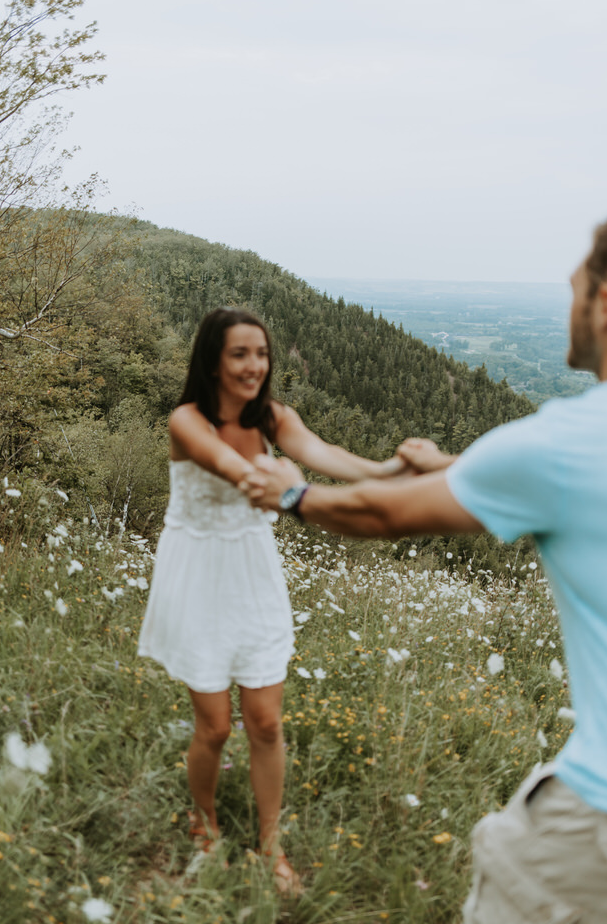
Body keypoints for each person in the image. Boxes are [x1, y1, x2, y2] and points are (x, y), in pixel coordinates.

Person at [244, 220, 607, 922]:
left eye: (573, 290)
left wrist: (292, 494)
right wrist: (452, 469)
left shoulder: (567, 442)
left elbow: (382, 516)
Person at [137, 306, 406, 894]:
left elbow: (329, 455)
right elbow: (234, 469)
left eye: (261, 354)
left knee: (264, 722)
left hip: (252, 573)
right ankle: (201, 821)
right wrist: (286, 486)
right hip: (197, 574)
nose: (254, 365)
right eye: (240, 354)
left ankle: (270, 844)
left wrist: (392, 470)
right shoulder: (187, 421)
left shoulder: (275, 417)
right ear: (212, 360)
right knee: (213, 728)